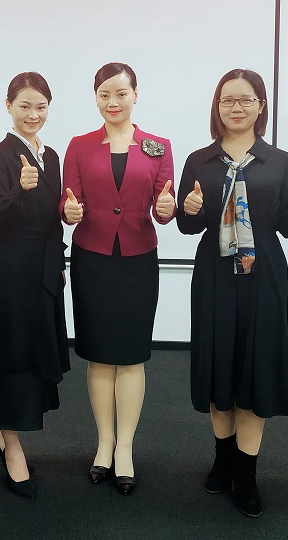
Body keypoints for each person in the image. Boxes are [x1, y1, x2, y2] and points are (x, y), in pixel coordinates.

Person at [175, 69, 288, 518]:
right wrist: (189, 209)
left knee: (256, 368)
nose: (236, 108)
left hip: (263, 276)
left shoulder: (280, 161)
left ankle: (247, 473)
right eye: (227, 100)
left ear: (261, 106)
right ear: (217, 107)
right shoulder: (199, 160)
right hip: (213, 275)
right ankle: (223, 459)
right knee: (220, 364)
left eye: (245, 100)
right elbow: (187, 224)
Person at [60, 62, 175, 496]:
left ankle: (125, 446)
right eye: (104, 94)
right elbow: (67, 202)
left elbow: (165, 203)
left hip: (138, 259)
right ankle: (103, 442)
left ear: (135, 95)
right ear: (95, 98)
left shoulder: (158, 146)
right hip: (92, 257)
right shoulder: (79, 146)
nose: (113, 102)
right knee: (98, 354)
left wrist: (166, 209)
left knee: (129, 355)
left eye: (121, 93)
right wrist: (69, 211)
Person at [0, 72, 70, 500]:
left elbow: (54, 216)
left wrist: (61, 254)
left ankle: (0, 434)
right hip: (12, 267)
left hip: (44, 266)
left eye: (41, 107)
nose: (33, 114)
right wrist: (20, 188)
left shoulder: (52, 154)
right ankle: (11, 446)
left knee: (33, 356)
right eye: (25, 106)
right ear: (8, 106)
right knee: (9, 354)